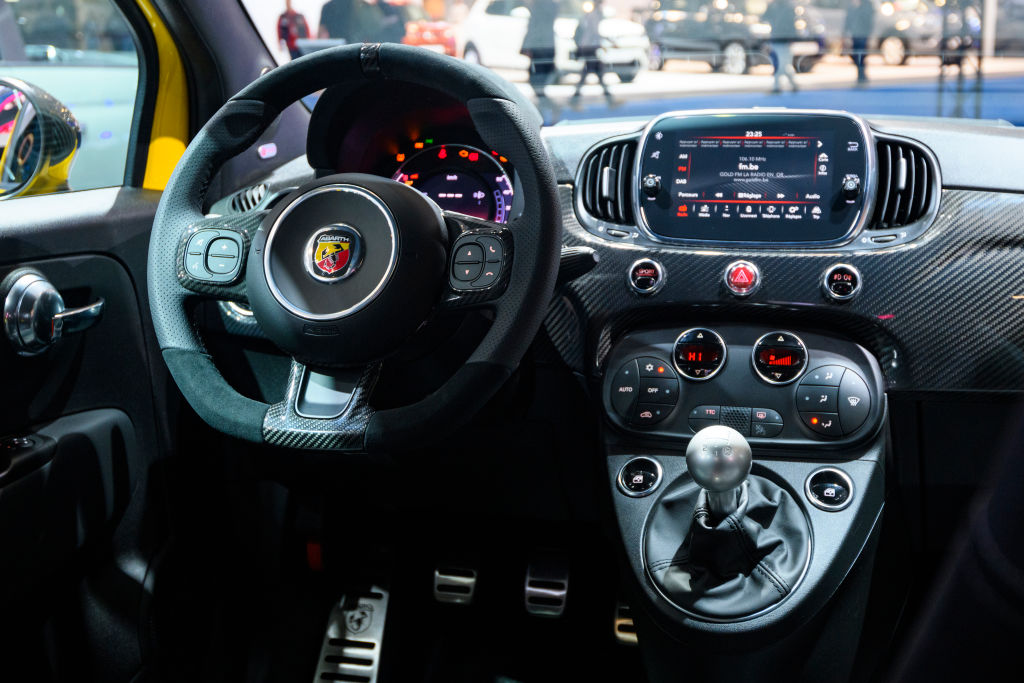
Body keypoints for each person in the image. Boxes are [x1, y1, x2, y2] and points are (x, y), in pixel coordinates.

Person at [573, 0, 611, 99]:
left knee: (592, 72)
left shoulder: (592, 14)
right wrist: (605, 43)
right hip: (589, 47)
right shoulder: (594, 15)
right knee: (597, 72)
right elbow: (594, 32)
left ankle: (574, 99)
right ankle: (610, 100)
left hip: (588, 47)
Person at [520, 0, 558, 98]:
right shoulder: (552, 6)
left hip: (540, 46)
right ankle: (545, 103)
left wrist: (526, 46)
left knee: (536, 77)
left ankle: (546, 103)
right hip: (546, 45)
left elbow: (534, 27)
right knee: (539, 77)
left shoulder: (539, 6)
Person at [763, 0, 799, 93]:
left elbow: (792, 23)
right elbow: (764, 17)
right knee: (781, 64)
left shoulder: (787, 7)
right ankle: (788, 84)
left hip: (783, 39)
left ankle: (779, 86)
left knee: (782, 64)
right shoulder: (775, 6)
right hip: (777, 38)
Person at [844, 0, 875, 84]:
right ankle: (860, 73)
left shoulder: (867, 4)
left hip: (863, 34)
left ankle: (862, 74)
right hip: (854, 34)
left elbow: (869, 19)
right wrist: (845, 33)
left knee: (861, 54)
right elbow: (848, 19)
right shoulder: (851, 4)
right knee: (855, 54)